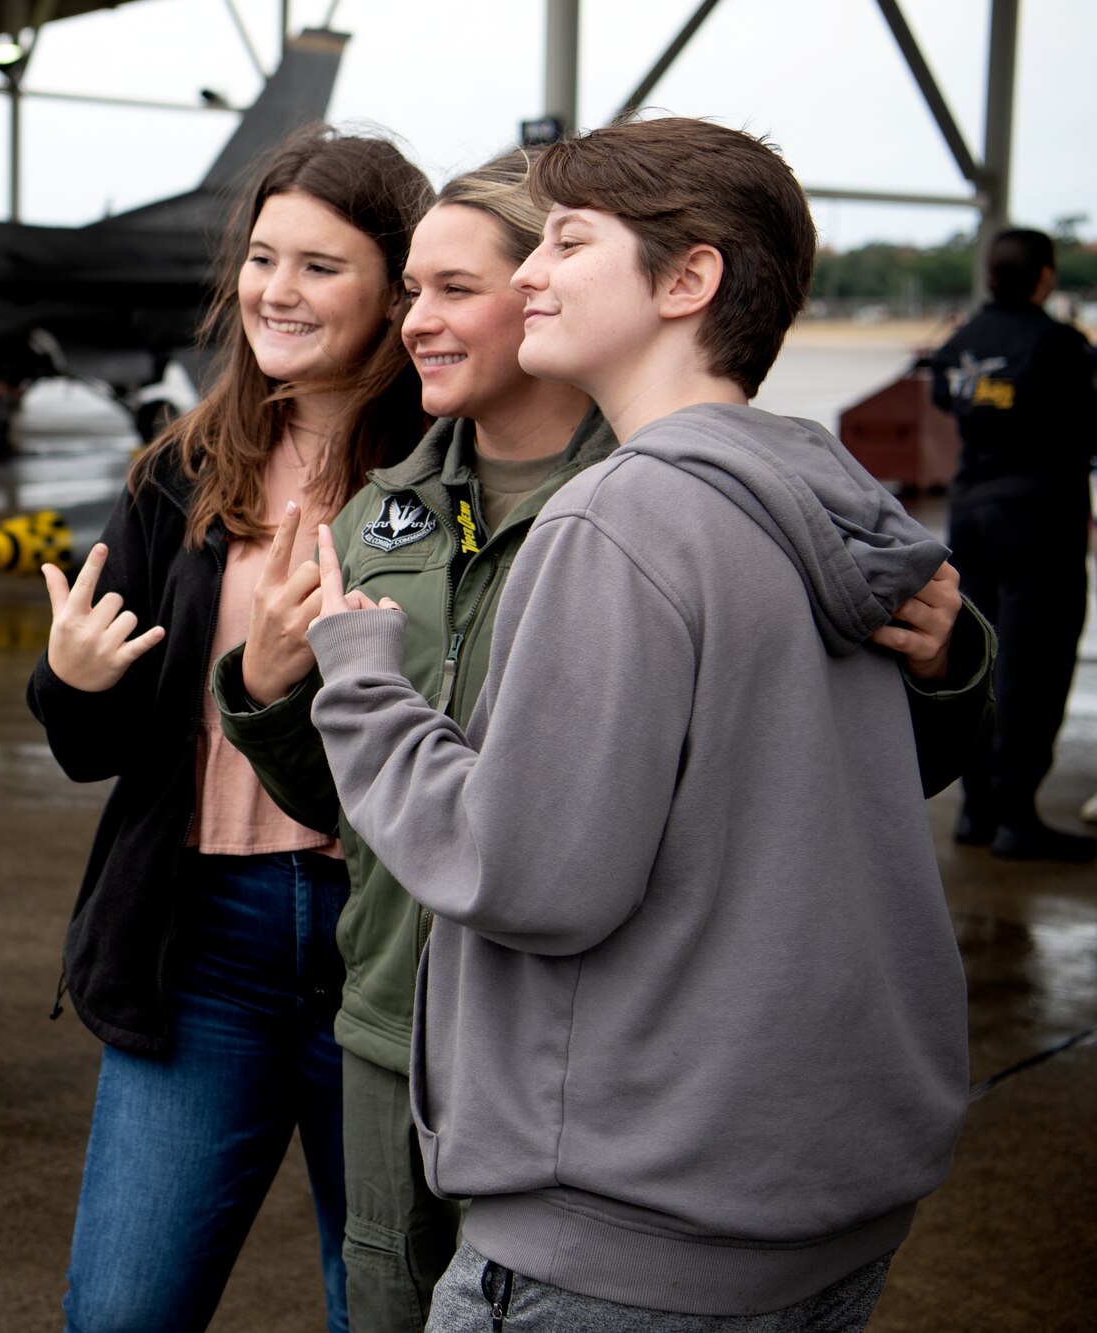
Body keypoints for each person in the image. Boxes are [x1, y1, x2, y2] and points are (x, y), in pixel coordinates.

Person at [215, 148, 990, 1331]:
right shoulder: (811, 491)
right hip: (555, 1087)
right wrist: (270, 691)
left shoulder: (619, 512)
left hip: (606, 1154)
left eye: (559, 246)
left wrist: (360, 685)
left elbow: (529, 870)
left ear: (685, 282)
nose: (527, 280)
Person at [25, 125, 428, 1333]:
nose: (276, 291)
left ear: (395, 289)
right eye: (262, 258)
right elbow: (88, 748)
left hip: (385, 946)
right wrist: (72, 678)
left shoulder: (444, 472)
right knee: (120, 1310)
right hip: (202, 941)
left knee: (385, 1310)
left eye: (320, 265)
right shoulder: (184, 469)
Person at [930, 227, 1097, 862]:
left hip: (972, 515)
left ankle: (977, 809)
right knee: (1037, 662)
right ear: (1046, 277)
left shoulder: (965, 343)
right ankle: (1017, 813)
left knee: (983, 652)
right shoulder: (1059, 347)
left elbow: (947, 392)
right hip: (1039, 519)